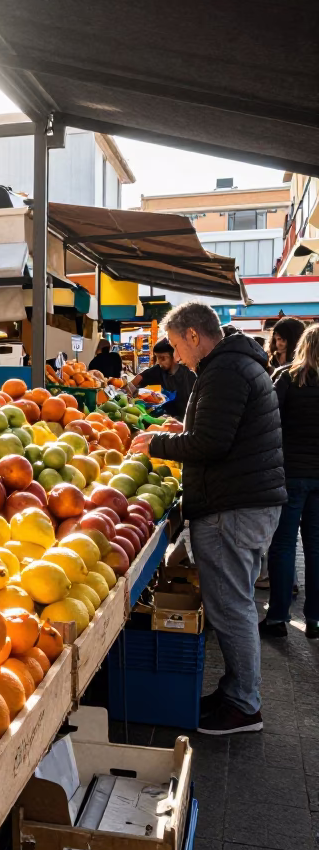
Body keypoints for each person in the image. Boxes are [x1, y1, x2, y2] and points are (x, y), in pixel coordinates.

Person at [130, 302, 285, 736]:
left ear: (194, 336)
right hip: (245, 501)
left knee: (232, 607)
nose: (177, 357)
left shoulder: (225, 370)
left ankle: (244, 706)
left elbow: (214, 443)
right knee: (233, 603)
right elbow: (220, 433)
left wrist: (159, 445)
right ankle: (236, 690)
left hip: (234, 506)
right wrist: (183, 432)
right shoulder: (235, 364)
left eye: (178, 346)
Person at [261, 324, 319, 639]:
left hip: (290, 473)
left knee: (283, 545)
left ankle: (278, 618)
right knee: (316, 547)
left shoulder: (287, 377)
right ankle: (315, 619)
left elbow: (266, 418)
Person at [127, 339, 196, 420]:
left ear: (174, 356)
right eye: (157, 358)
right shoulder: (159, 370)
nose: (159, 362)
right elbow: (140, 377)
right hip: (168, 418)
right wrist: (128, 390)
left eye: (163, 358)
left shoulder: (188, 374)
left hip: (187, 418)